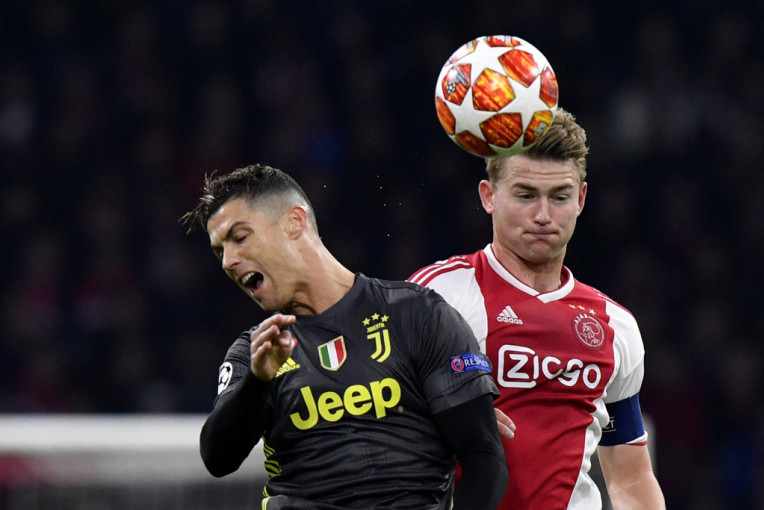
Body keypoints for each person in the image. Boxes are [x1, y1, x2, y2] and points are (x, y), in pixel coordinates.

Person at [181, 164, 507, 509]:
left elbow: (483, 455)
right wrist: (258, 380)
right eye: (219, 251)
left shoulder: (417, 315)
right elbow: (218, 459)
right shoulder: (254, 352)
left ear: (295, 222)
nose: (228, 261)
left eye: (239, 238)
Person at [408, 108, 666, 509]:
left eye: (559, 197)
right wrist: (441, 415)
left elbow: (631, 477)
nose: (543, 216)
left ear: (580, 199)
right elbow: (369, 413)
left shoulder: (616, 326)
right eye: (526, 195)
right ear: (488, 196)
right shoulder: (437, 295)